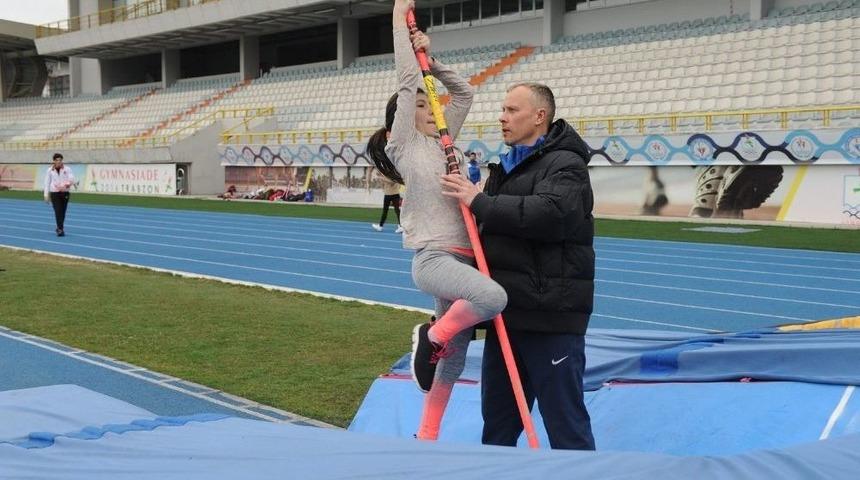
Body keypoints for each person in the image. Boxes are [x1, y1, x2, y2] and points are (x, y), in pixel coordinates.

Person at [365, 0, 507, 442]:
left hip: (467, 257)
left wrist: (433, 58)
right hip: (434, 258)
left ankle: (426, 434)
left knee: (455, 358)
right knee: (493, 297)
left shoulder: (447, 142)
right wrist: (399, 18)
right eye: (422, 106)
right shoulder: (405, 146)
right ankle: (431, 334)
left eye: (432, 106)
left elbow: (464, 94)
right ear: (402, 121)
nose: (431, 110)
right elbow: (408, 82)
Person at [440, 82, 596, 450]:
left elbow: (552, 214)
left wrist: (481, 202)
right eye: (503, 109)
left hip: (549, 320)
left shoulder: (567, 164)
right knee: (497, 427)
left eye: (512, 110)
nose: (502, 117)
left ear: (540, 116)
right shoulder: (506, 167)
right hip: (506, 317)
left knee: (566, 428)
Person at [43, 153, 75, 237]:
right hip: (55, 193)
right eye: (57, 160)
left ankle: (60, 227)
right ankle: (60, 229)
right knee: (58, 210)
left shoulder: (67, 169)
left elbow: (71, 178)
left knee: (63, 212)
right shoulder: (50, 170)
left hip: (65, 192)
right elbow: (47, 182)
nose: (59, 162)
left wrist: (67, 184)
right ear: (54, 161)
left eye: (60, 160)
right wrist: (46, 195)